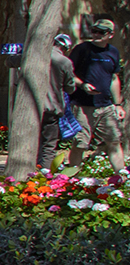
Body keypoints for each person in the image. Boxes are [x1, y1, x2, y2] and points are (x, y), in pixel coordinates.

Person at [69, 17, 126, 174]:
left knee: (114, 141)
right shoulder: (82, 49)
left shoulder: (113, 52)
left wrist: (118, 104)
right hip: (82, 105)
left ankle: (122, 178)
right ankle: (71, 179)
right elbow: (69, 73)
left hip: (106, 106)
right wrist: (82, 85)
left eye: (101, 32)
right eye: (94, 31)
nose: (96, 34)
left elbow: (114, 79)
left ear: (111, 35)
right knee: (80, 143)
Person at [39, 33, 78, 171]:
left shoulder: (35, 54)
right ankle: (45, 173)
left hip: (30, 109)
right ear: (66, 48)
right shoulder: (64, 62)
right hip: (51, 107)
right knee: (48, 144)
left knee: (32, 141)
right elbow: (70, 87)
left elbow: (10, 62)